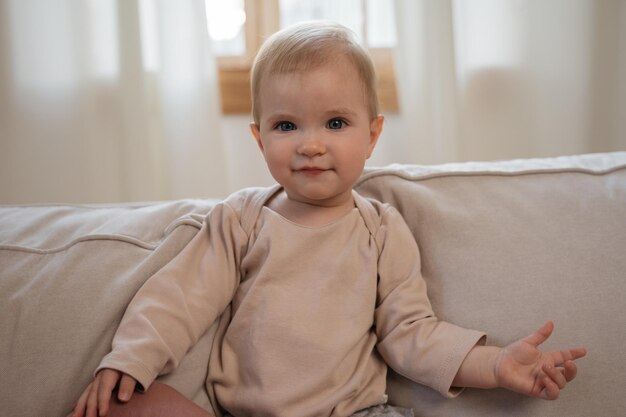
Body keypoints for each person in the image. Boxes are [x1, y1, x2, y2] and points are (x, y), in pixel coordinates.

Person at [72, 21, 586, 417]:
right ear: (260, 139)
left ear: (372, 135)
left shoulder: (381, 229)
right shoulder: (241, 219)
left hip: (356, 412)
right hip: (242, 412)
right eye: (286, 125)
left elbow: (411, 333)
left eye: (335, 123)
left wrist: (494, 365)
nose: (310, 144)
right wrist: (130, 358)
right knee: (133, 405)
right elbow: (179, 295)